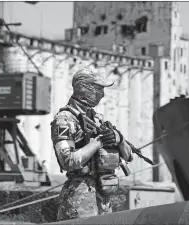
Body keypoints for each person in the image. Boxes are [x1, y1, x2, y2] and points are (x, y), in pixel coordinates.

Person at [50, 67, 134, 221]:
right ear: (82, 88)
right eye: (98, 89)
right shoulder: (64, 119)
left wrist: (119, 139)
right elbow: (68, 162)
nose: (102, 94)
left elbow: (128, 156)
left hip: (103, 198)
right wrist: (98, 142)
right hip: (79, 200)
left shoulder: (97, 119)